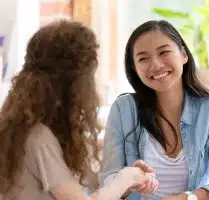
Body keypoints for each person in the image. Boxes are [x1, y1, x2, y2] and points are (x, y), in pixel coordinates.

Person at [0, 20, 154, 200]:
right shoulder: (38, 138)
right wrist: (127, 177)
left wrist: (124, 180)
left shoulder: (20, 130)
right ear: (75, 82)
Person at [100, 20, 209, 200]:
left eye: (164, 52)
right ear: (134, 69)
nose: (156, 65)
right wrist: (128, 181)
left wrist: (187, 198)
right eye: (143, 58)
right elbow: (108, 180)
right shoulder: (124, 109)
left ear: (183, 54)